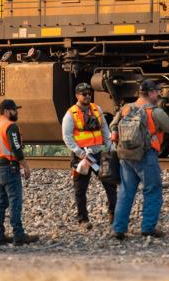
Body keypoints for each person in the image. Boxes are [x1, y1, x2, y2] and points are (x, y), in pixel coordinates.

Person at [109, 79, 169, 240]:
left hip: (126, 156)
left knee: (125, 192)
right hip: (146, 155)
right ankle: (148, 228)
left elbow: (113, 126)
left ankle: (118, 229)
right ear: (150, 93)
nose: (159, 94)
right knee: (152, 191)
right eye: (157, 91)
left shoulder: (126, 108)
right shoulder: (155, 112)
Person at [61, 82, 117, 228]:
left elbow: (105, 129)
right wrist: (80, 153)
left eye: (88, 93)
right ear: (77, 96)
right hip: (82, 157)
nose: (87, 96)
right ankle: (83, 220)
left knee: (110, 184)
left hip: (99, 154)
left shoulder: (97, 109)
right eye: (84, 94)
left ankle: (114, 214)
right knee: (80, 189)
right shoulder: (70, 114)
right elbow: (67, 137)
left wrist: (110, 147)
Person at [0, 99, 39, 246]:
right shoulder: (10, 126)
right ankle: (19, 235)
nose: (16, 112)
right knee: (15, 201)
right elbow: (16, 148)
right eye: (14, 110)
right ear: (6, 111)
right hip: (9, 167)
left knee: (1, 202)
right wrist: (25, 166)